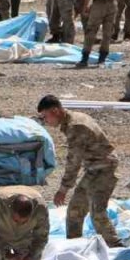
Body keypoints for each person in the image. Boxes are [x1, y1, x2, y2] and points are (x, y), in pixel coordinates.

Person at [36, 94, 119, 246]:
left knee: (97, 213)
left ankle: (116, 247)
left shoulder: (75, 127)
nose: (46, 121)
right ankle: (74, 247)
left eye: (46, 116)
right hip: (93, 170)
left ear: (55, 111)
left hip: (104, 169)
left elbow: (74, 161)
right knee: (75, 210)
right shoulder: (73, 120)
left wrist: (63, 189)